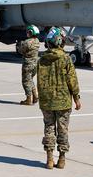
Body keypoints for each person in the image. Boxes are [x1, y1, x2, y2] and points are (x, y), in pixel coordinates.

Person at [37, 27, 81, 169]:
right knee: (63, 129)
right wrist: (77, 98)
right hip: (63, 102)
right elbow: (72, 80)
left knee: (49, 128)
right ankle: (61, 159)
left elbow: (38, 79)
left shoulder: (42, 59)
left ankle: (49, 159)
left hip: (47, 101)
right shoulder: (66, 59)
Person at [18, 25, 41, 105]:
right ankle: (35, 96)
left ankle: (28, 99)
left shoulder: (27, 42)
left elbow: (21, 51)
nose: (27, 33)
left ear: (30, 33)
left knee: (26, 81)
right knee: (30, 79)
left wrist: (20, 45)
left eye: (28, 32)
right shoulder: (37, 41)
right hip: (35, 64)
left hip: (28, 64)